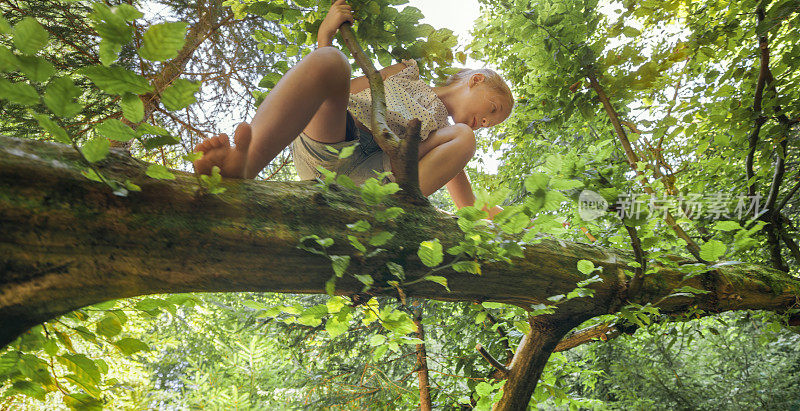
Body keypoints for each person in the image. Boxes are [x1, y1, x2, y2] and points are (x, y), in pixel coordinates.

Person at [192, 0, 513, 218]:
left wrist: (499, 219)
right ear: (477, 80)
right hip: (332, 144)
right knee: (331, 61)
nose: (485, 122)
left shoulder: (449, 133)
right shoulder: (406, 71)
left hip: (376, 177)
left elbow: (467, 203)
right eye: (493, 109)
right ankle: (247, 165)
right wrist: (325, 35)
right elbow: (337, 91)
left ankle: (387, 212)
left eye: (491, 123)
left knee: (463, 138)